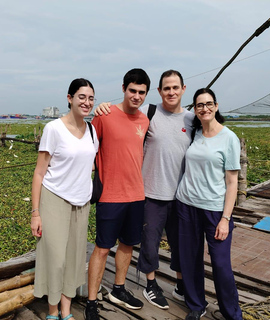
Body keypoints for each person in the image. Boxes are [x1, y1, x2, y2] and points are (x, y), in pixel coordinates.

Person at [94, 70, 194, 310]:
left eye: (175, 87)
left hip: (181, 194)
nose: (171, 92)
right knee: (149, 243)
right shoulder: (149, 112)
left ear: (183, 89)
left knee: (181, 242)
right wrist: (102, 106)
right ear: (158, 92)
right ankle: (150, 285)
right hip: (149, 191)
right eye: (166, 88)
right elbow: (123, 112)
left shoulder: (193, 119)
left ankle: (181, 286)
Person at [84, 68, 150, 320]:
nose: (136, 96)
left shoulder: (144, 120)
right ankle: (91, 301)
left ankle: (118, 289)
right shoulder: (105, 114)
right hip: (110, 194)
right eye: (132, 90)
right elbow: (87, 147)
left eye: (141, 92)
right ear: (123, 89)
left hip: (136, 194)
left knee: (127, 244)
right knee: (102, 248)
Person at [31, 78, 99, 320]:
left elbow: (89, 165)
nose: (87, 102)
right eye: (82, 97)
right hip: (54, 200)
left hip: (82, 203)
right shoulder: (54, 129)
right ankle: (52, 310)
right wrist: (35, 213)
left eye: (91, 98)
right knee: (56, 259)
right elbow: (39, 172)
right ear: (69, 98)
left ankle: (67, 311)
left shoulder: (92, 130)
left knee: (74, 258)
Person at [175, 88, 242, 320]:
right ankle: (196, 304)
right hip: (186, 205)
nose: (204, 108)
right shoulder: (194, 133)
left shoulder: (229, 138)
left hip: (215, 209)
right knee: (190, 258)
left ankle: (232, 312)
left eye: (208, 103)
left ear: (216, 106)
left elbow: (232, 182)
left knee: (221, 264)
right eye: (199, 105)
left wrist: (225, 218)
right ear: (194, 109)